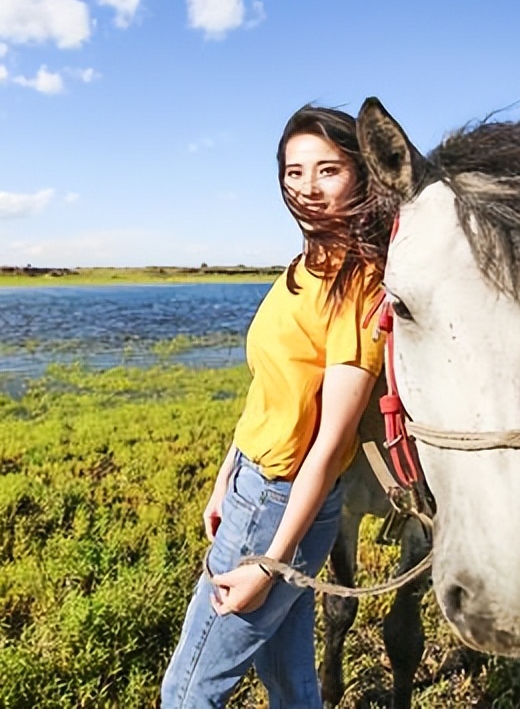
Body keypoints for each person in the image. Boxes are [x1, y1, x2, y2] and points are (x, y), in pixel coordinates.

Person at [160, 104, 396, 708]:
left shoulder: (361, 282)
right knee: (292, 685)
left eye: (328, 170)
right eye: (294, 172)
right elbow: (268, 391)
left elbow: (332, 445)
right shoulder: (303, 268)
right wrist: (225, 477)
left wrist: (271, 562)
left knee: (187, 693)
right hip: (252, 483)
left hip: (279, 502)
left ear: (363, 174)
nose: (308, 188)